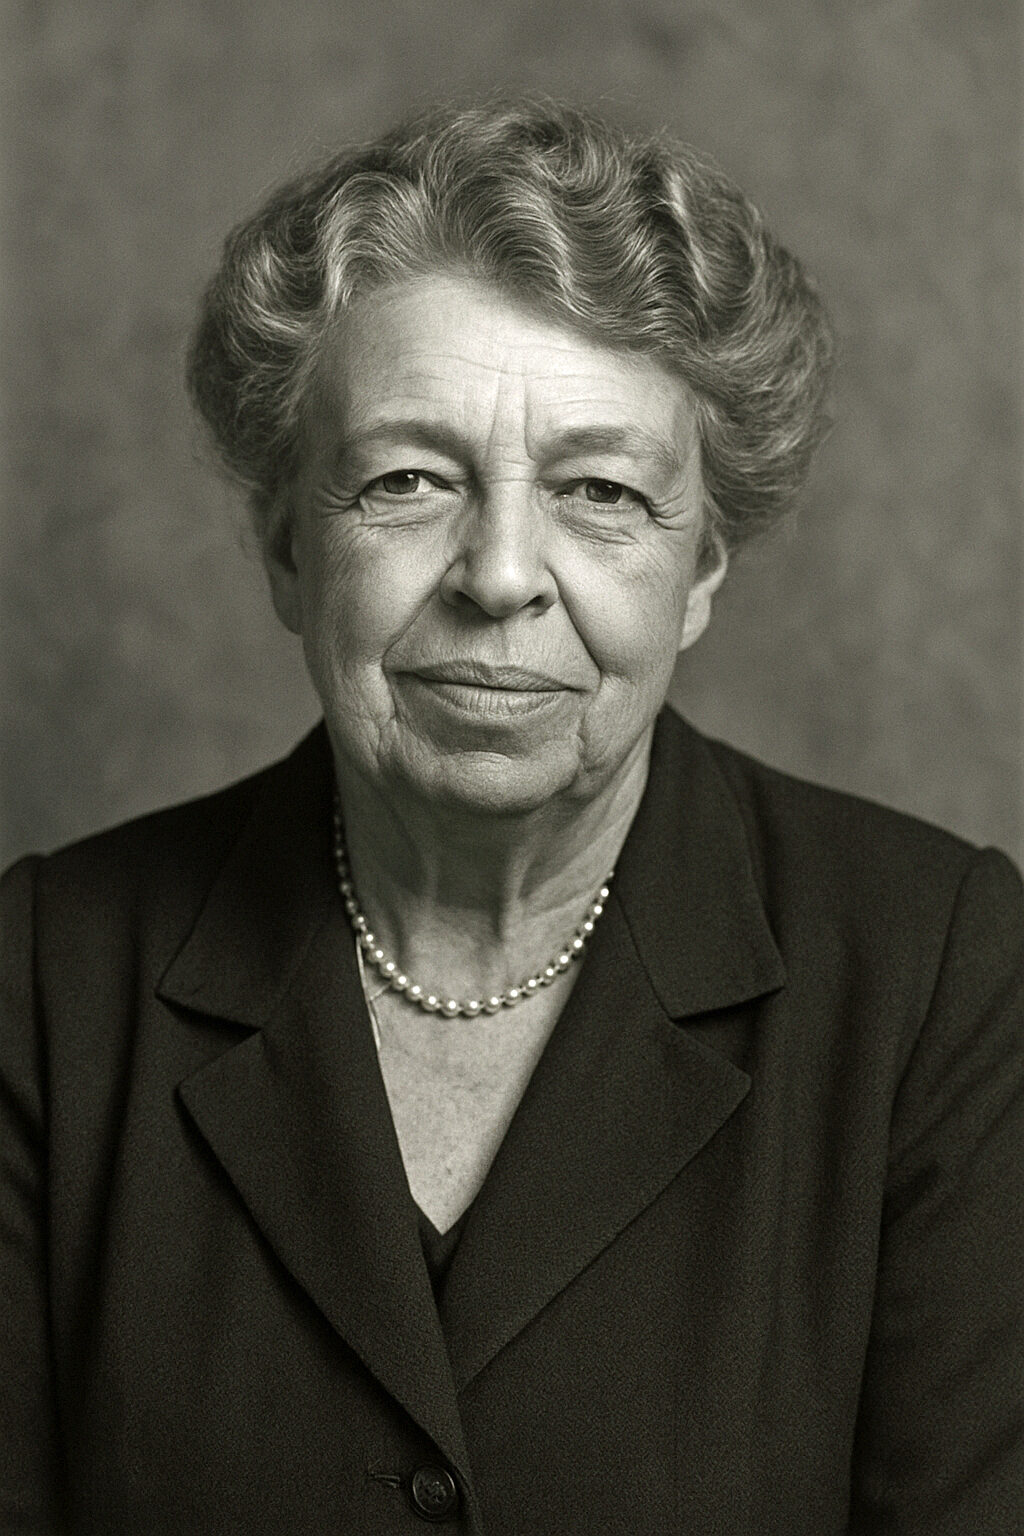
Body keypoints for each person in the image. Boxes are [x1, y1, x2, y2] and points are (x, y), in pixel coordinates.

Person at [1, 98, 1021, 1536]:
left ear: (701, 570)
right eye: (408, 480)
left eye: (600, 491)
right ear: (288, 549)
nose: (499, 575)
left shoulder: (938, 979)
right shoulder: (40, 980)